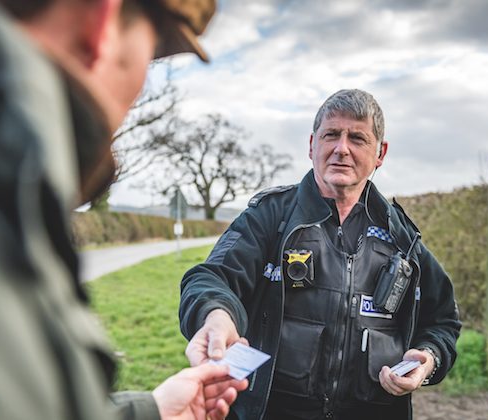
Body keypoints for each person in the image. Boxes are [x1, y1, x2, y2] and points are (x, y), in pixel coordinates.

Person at [0, 0, 248, 419]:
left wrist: (150, 412)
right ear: (101, 23)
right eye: (150, 55)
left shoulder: (2, 193)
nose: (142, 85)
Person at [179, 89, 462, 419]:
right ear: (312, 144)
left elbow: (442, 321)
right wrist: (216, 315)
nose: (342, 149)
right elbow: (210, 278)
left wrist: (428, 359)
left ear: (380, 153)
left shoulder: (403, 238)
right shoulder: (271, 217)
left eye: (357, 138)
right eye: (331, 135)